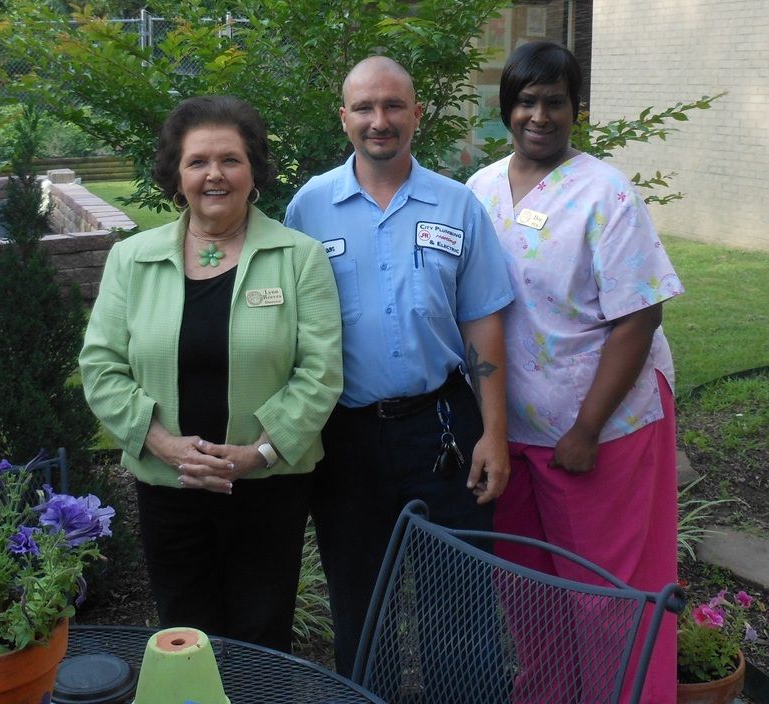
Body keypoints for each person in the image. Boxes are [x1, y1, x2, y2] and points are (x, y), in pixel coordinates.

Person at [79, 95, 343, 653]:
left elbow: (320, 371)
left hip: (269, 488)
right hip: (169, 484)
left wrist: (260, 454)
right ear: (177, 175)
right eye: (198, 161)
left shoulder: (300, 257)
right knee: (184, 635)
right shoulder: (133, 259)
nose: (214, 175)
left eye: (231, 160)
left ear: (255, 172)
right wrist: (165, 446)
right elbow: (101, 366)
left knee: (261, 637)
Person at [466, 40, 683, 702]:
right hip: (512, 437)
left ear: (574, 110)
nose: (539, 115)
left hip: (599, 431)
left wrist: (586, 430)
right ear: (506, 108)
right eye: (526, 101)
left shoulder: (604, 192)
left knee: (604, 598)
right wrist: (489, 429)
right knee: (529, 592)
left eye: (553, 102)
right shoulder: (477, 189)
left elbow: (637, 318)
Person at [284, 56, 514, 675]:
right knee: (361, 605)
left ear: (416, 115)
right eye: (364, 107)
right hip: (345, 437)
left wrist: (494, 434)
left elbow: (483, 321)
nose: (378, 121)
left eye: (392, 107)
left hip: (442, 428)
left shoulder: (457, 204)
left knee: (460, 606)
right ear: (344, 118)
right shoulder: (309, 209)